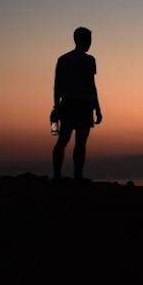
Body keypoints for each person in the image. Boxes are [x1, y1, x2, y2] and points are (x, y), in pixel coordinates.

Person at [52, 26, 103, 181]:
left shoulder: (63, 59)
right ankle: (77, 176)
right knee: (79, 143)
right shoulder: (89, 60)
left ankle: (57, 176)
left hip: (67, 105)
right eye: (88, 40)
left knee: (63, 141)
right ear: (81, 40)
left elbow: (57, 86)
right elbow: (91, 85)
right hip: (83, 105)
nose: (90, 43)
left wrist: (56, 106)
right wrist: (98, 109)